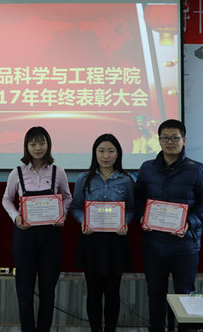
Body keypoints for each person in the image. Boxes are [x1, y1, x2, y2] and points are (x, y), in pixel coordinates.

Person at [136, 119, 203, 332]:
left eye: (175, 137)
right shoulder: (147, 169)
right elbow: (138, 200)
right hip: (153, 245)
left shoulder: (198, 170)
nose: (170, 142)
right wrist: (141, 216)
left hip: (185, 245)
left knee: (185, 296)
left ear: (184, 140)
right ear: (159, 140)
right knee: (155, 295)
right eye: (165, 138)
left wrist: (189, 222)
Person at [2, 126, 72, 332]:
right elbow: (6, 199)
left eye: (42, 143)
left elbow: (67, 197)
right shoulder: (17, 172)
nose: (38, 148)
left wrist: (62, 214)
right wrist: (16, 217)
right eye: (33, 144)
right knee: (24, 290)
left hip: (51, 236)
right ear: (27, 147)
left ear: (48, 145)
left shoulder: (58, 172)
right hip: (25, 235)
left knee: (48, 291)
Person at [71, 134, 135, 332]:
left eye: (110, 151)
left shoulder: (127, 180)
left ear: (118, 154)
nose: (106, 155)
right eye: (101, 151)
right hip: (91, 241)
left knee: (113, 293)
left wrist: (125, 221)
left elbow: (132, 208)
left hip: (116, 242)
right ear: (95, 153)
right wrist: (83, 220)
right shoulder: (83, 179)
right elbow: (75, 207)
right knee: (93, 292)